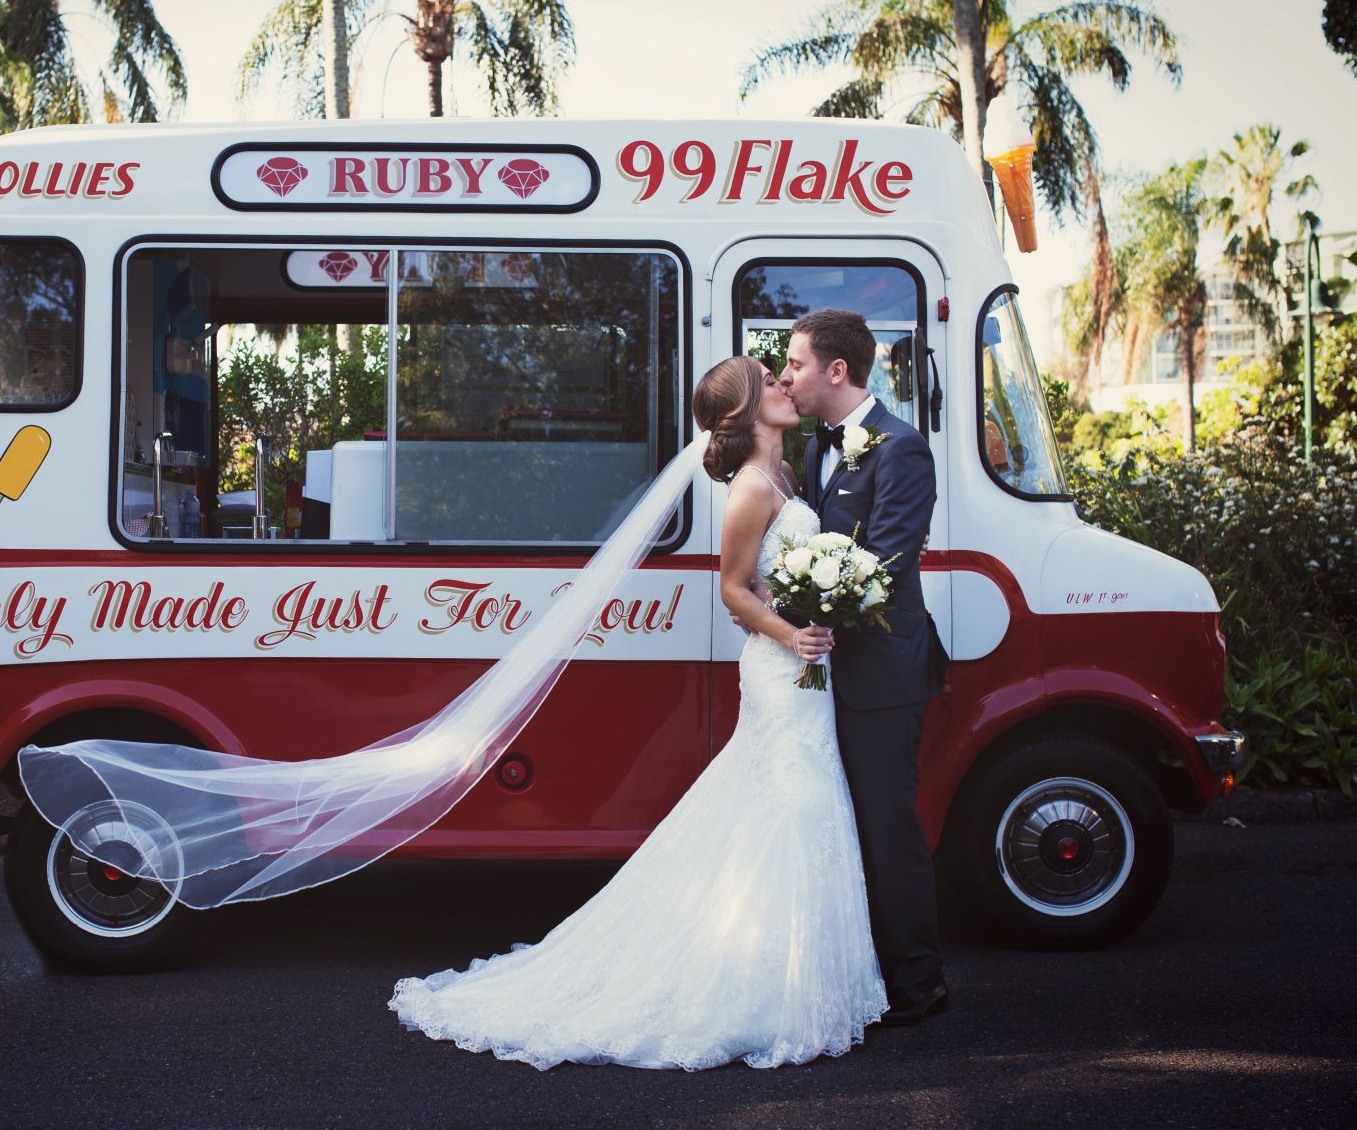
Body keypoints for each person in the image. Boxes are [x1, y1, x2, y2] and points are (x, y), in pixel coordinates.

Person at [385, 356, 889, 1069]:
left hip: (806, 668)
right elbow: (734, 590)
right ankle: (766, 990)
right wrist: (792, 631)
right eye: (769, 382)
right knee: (794, 806)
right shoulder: (751, 487)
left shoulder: (786, 475)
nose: (784, 385)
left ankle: (798, 980)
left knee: (788, 809)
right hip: (782, 670)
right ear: (746, 412)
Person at [782, 308, 949, 1025]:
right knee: (837, 826)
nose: (787, 376)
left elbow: (882, 565)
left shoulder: (901, 449)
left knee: (887, 826)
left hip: (881, 675)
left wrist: (798, 605)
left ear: (837, 371)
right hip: (824, 674)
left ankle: (918, 982)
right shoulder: (816, 449)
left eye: (795, 363)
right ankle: (860, 974)